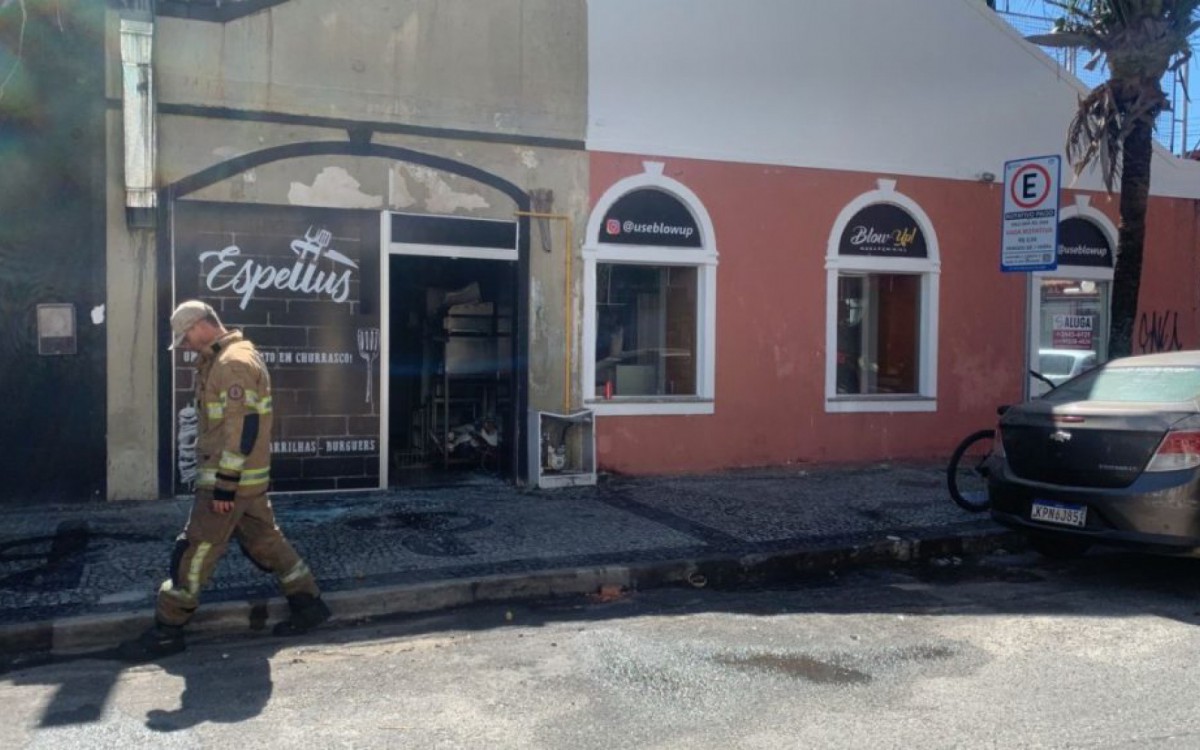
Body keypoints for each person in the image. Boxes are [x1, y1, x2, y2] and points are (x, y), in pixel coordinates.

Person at [119, 300, 331, 661]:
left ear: (203, 324)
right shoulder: (228, 357)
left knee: (196, 548)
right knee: (266, 541)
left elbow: (241, 429)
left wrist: (224, 486)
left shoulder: (232, 363)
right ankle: (308, 604)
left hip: (229, 482)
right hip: (246, 482)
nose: (186, 345)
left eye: (186, 337)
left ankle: (168, 630)